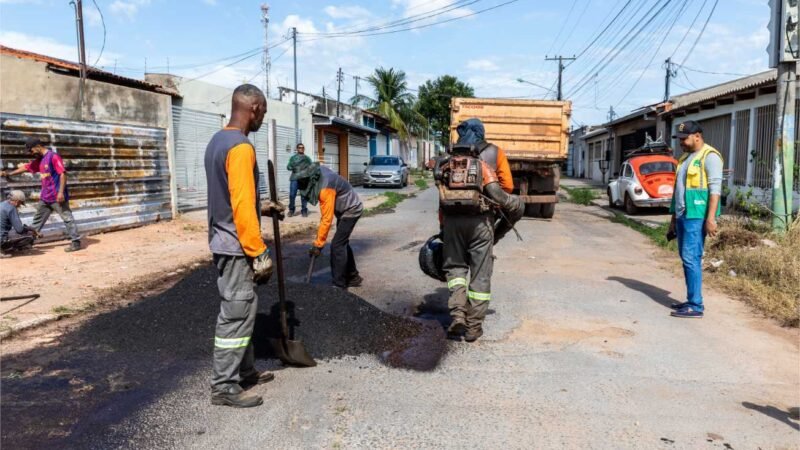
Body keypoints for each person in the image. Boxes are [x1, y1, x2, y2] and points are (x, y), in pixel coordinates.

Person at [204, 84, 276, 408]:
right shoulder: (242, 147)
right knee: (235, 314)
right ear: (256, 108)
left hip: (222, 239)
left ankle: (245, 371)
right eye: (263, 112)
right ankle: (223, 386)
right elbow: (242, 207)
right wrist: (259, 251)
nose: (262, 117)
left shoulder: (217, 141)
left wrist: (265, 207)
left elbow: (229, 195)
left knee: (244, 310)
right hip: (236, 246)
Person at [439, 118, 523, 342]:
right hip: (481, 222)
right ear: (482, 133)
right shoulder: (494, 152)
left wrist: (443, 227)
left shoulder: (449, 159)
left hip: (452, 222)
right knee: (480, 274)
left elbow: (441, 193)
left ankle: (457, 315)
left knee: (456, 270)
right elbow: (507, 188)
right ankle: (474, 327)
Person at [668, 120, 723, 319]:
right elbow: (678, 191)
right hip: (683, 213)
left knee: (691, 258)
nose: (681, 142)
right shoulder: (685, 158)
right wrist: (673, 220)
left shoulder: (710, 157)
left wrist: (711, 219)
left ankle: (696, 305)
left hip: (697, 216)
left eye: (684, 138)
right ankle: (692, 299)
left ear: (697, 136)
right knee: (686, 257)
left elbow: (715, 190)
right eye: (680, 139)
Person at [0, 137, 81, 252]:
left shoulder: (53, 156)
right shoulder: (40, 160)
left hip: (57, 196)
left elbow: (62, 174)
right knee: (37, 221)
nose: (31, 153)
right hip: (45, 197)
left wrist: (61, 192)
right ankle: (29, 242)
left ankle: (76, 241)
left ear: (38, 147)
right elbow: (26, 167)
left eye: (31, 150)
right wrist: (8, 173)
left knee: (67, 218)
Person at [294, 162, 363, 289]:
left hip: (351, 209)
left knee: (337, 245)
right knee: (342, 243)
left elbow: (326, 218)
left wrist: (318, 244)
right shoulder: (317, 171)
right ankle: (353, 277)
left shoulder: (325, 187)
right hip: (343, 209)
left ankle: (339, 284)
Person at [0, 190, 38, 257]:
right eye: (20, 203)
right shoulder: (11, 208)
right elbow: (19, 229)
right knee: (30, 235)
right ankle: (3, 250)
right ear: (17, 201)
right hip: (1, 239)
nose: (19, 205)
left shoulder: (2, 204)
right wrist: (30, 229)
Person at [286, 143, 312, 217]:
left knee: (304, 195)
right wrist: (292, 168)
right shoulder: (293, 158)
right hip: (294, 178)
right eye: (300, 147)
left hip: (304, 179)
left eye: (303, 147)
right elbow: (288, 166)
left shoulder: (307, 158)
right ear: (297, 149)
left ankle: (304, 210)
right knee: (292, 195)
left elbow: (311, 167)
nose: (301, 148)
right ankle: (291, 210)